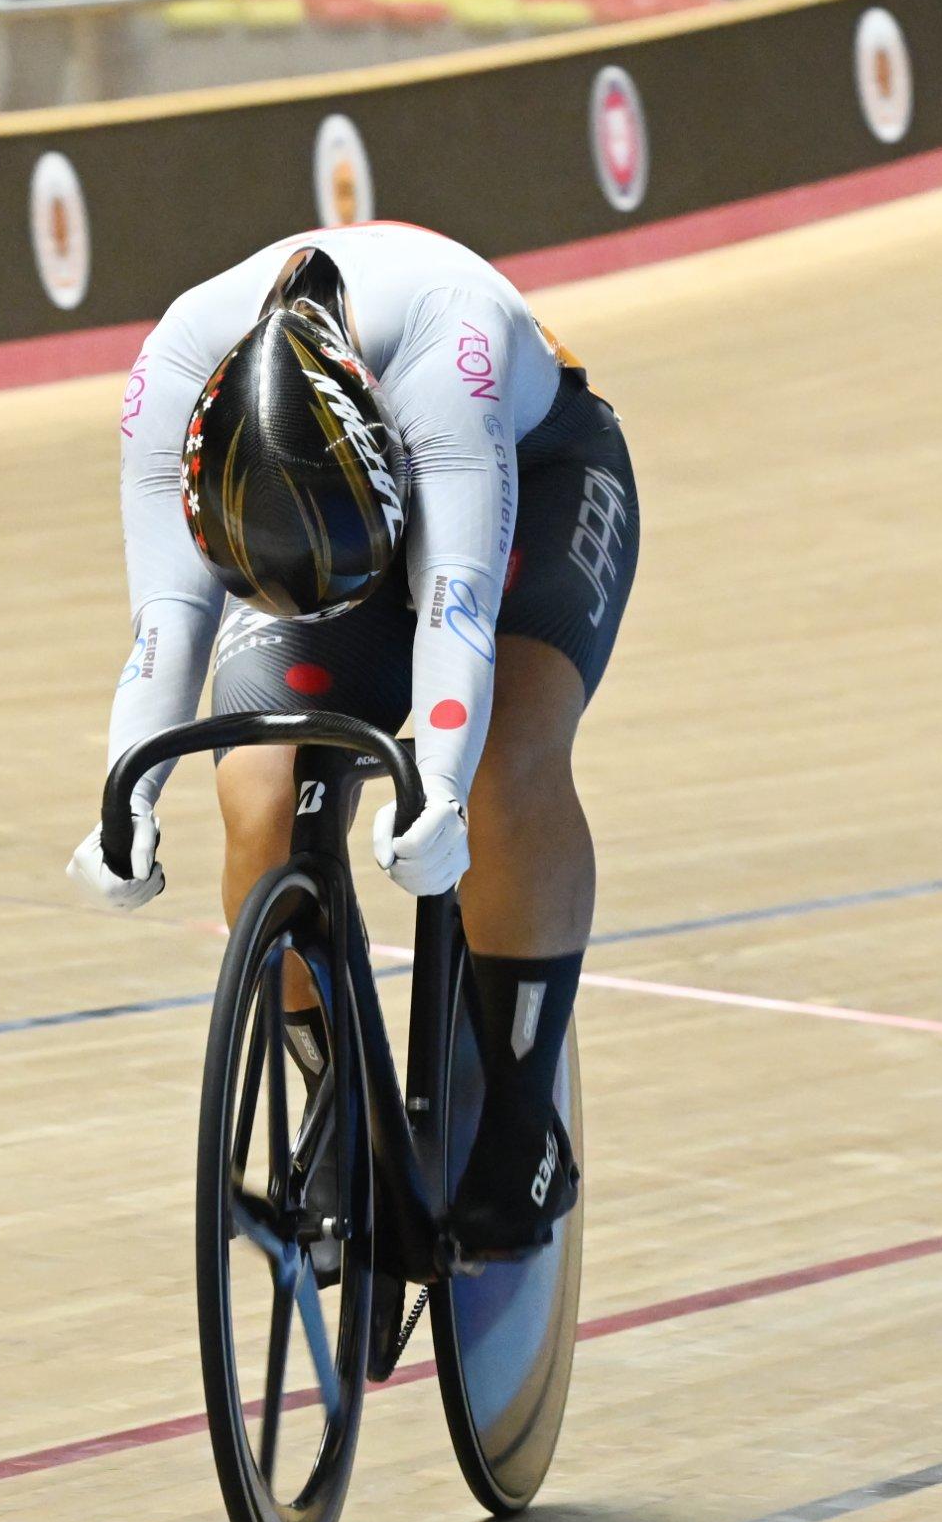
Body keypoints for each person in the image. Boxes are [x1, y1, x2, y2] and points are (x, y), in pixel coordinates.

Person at [68, 226, 641, 1261]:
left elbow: (457, 605)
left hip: (532, 478)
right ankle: (337, 1100)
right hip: (323, 524)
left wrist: (445, 789)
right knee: (255, 787)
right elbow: (165, 623)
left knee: (509, 766)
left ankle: (520, 1121)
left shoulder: (446, 345)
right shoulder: (170, 377)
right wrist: (128, 797)